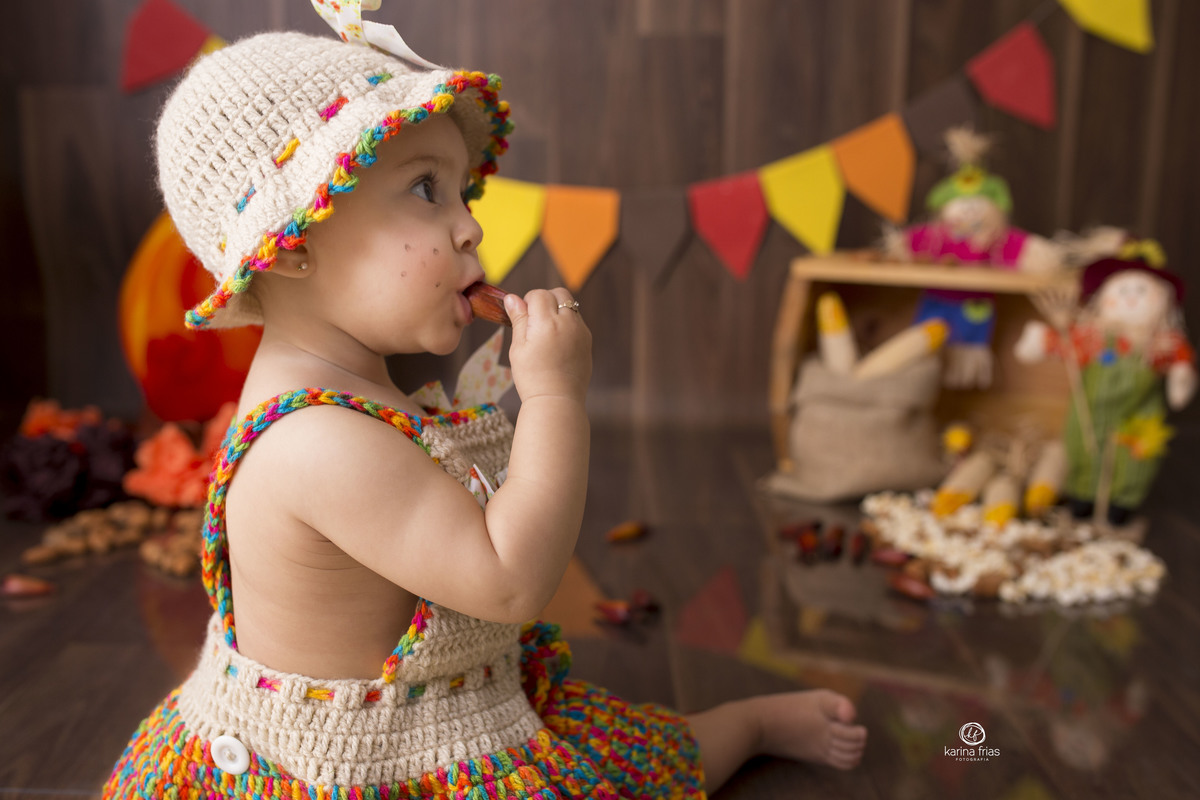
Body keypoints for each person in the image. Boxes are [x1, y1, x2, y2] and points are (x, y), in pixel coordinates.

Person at [103, 12, 866, 799]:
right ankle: (745, 729)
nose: (469, 226)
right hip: (354, 768)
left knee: (636, 758)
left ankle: (747, 728)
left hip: (448, 710)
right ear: (293, 243)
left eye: (461, 192)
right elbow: (509, 582)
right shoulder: (317, 442)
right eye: (425, 190)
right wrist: (555, 396)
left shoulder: (339, 389)